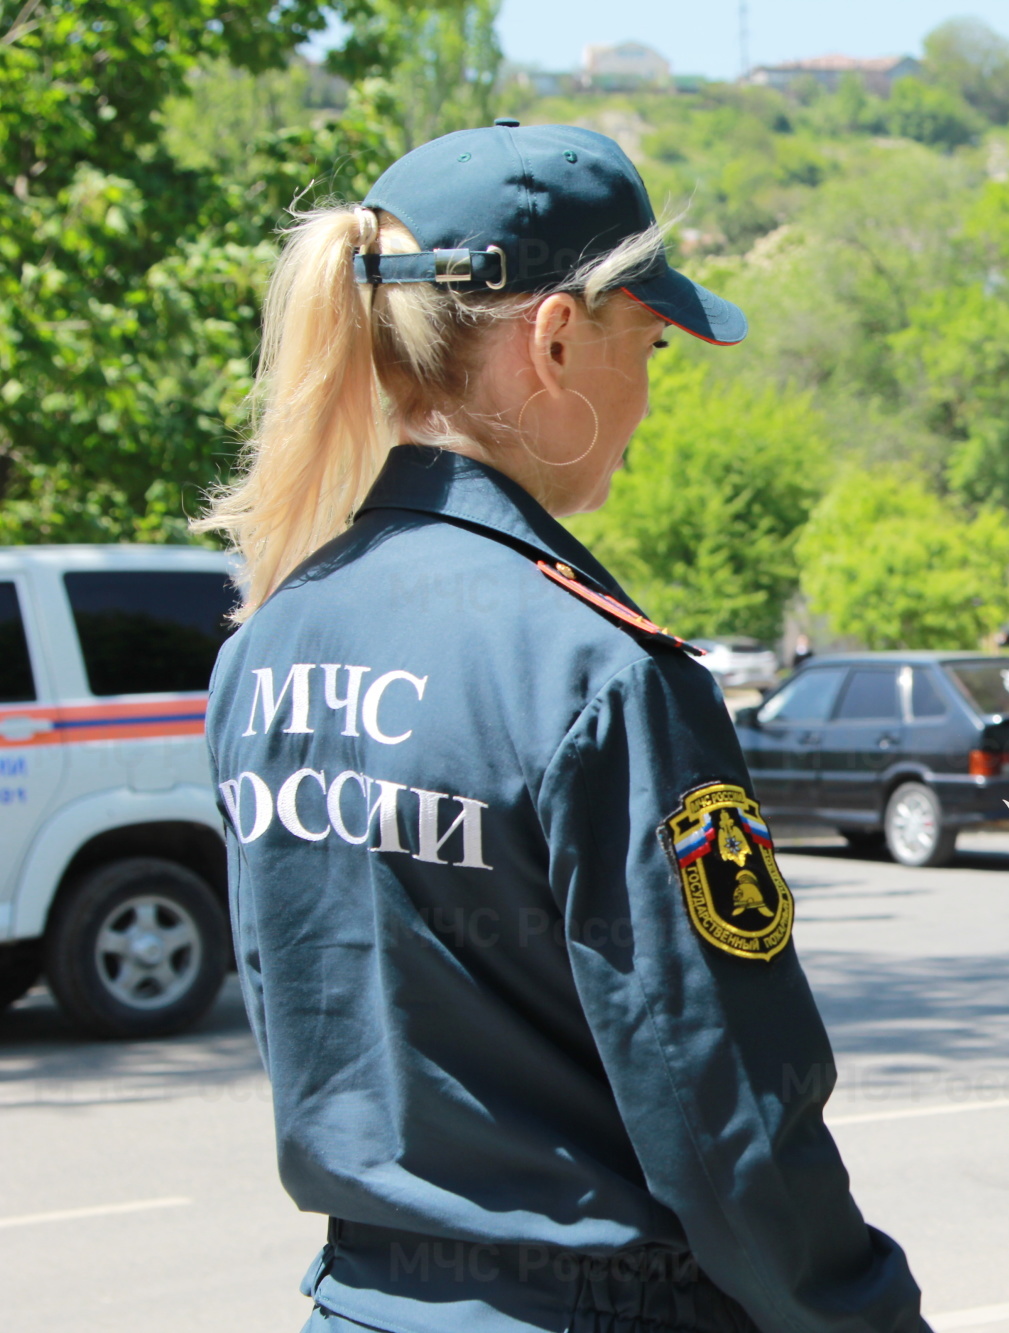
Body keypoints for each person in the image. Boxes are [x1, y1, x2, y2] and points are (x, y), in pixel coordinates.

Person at [202, 120, 928, 1333]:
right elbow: (727, 1114)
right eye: (645, 341)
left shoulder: (264, 643)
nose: (647, 395)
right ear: (552, 338)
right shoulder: (597, 672)